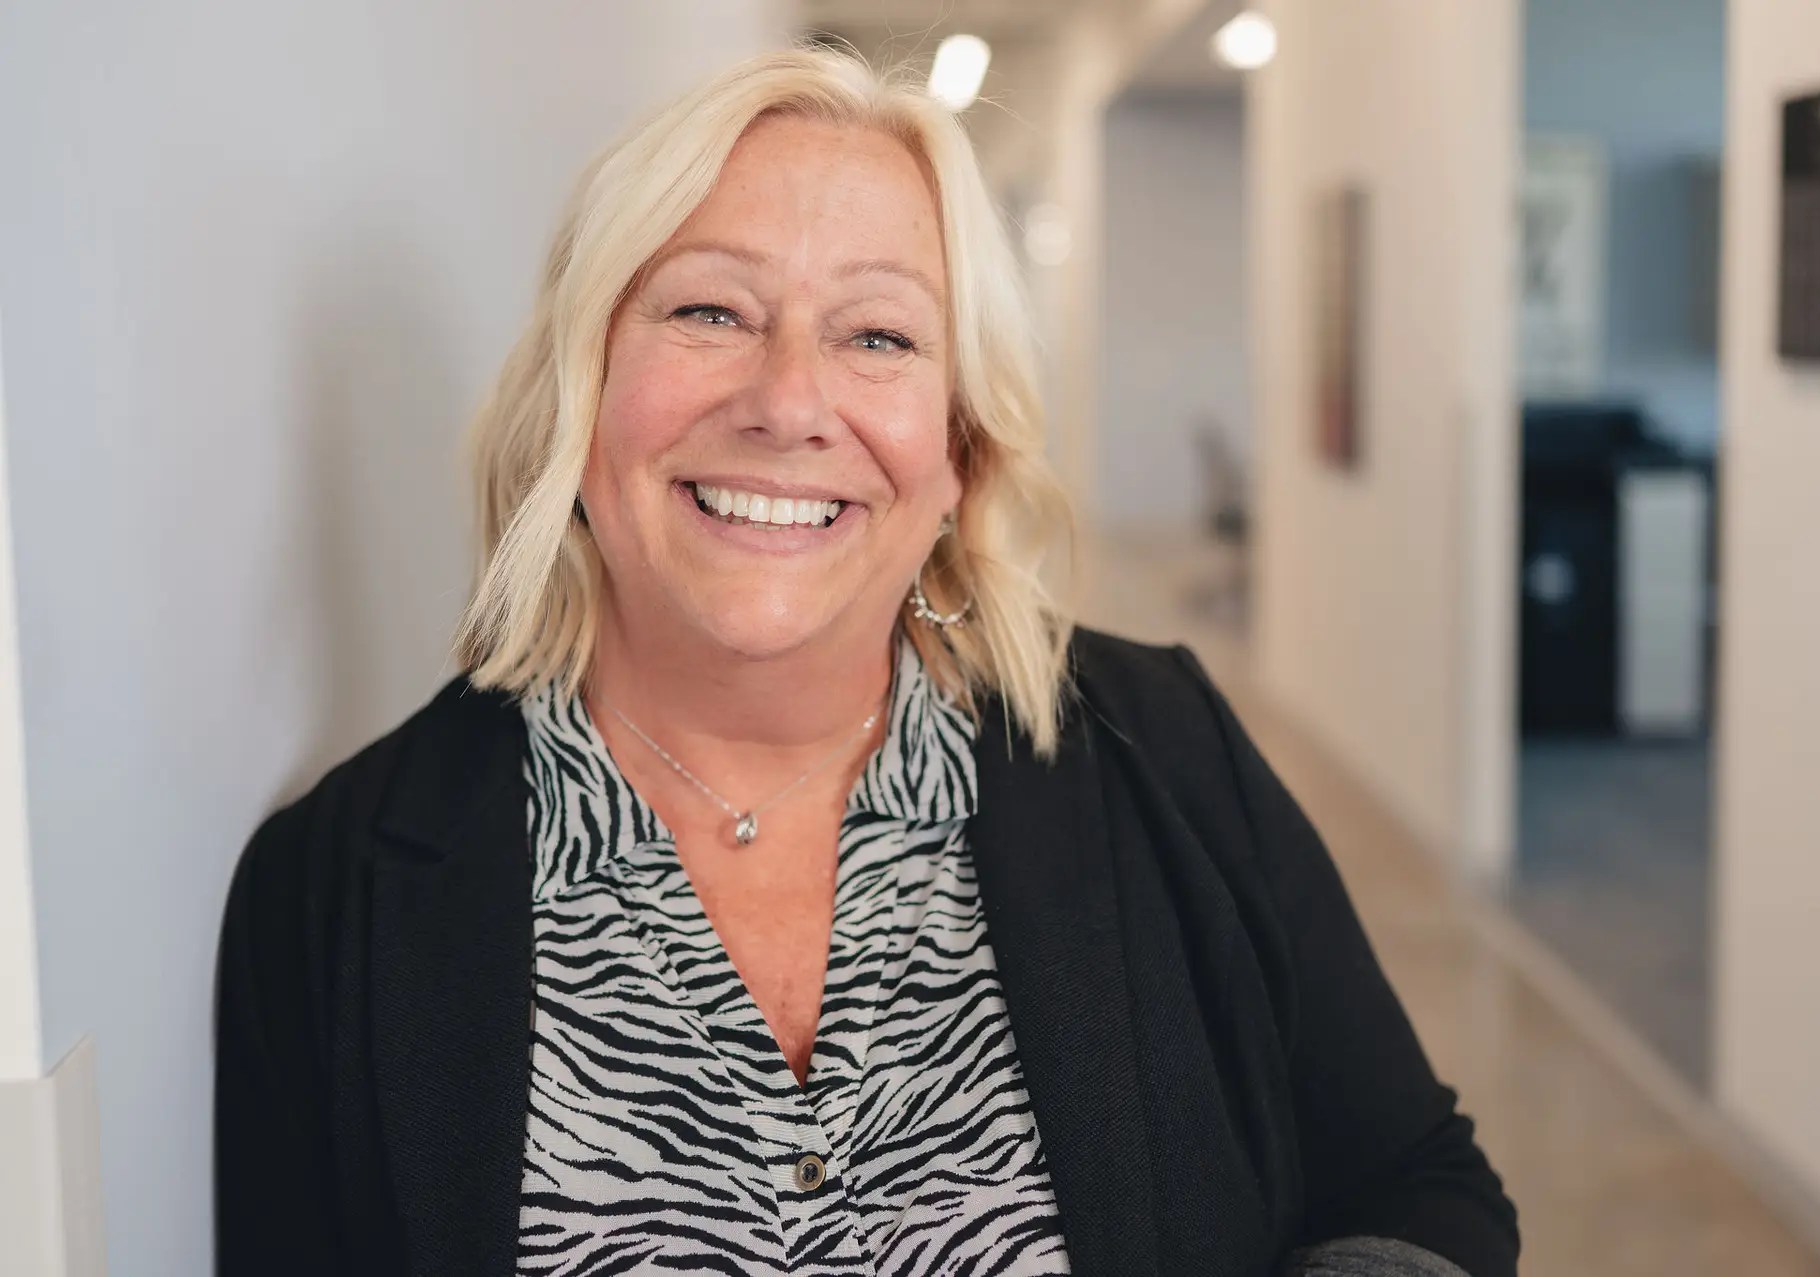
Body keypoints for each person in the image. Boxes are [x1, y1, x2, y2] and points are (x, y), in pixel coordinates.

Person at [215, 47, 1519, 1277]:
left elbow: (1415, 1181)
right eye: (709, 309)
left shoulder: (1162, 750)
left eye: (879, 335)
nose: (788, 401)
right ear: (580, 393)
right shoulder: (329, 895)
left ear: (960, 449)